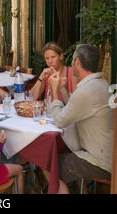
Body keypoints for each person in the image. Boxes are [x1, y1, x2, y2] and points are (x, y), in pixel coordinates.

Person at [47, 43, 115, 194]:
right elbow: (76, 106)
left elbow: (60, 120)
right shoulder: (101, 83)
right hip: (109, 157)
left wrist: (53, 89)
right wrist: (63, 88)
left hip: (99, 162)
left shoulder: (86, 91)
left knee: (48, 165)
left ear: (77, 62)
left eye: (72, 60)